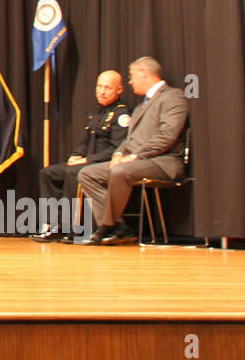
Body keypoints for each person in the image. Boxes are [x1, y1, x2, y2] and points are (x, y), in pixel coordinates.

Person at [79, 56, 188, 245]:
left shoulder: (173, 97)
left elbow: (167, 136)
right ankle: (119, 227)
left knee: (120, 171)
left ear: (143, 74)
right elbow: (129, 140)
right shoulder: (139, 107)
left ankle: (106, 226)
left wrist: (135, 157)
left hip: (162, 161)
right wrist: (119, 154)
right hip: (135, 161)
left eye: (131, 77)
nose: (130, 82)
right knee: (88, 174)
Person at [31, 70, 130, 242]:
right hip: (85, 161)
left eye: (107, 88)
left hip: (103, 164)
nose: (102, 91)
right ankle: (52, 224)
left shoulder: (121, 115)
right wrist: (76, 155)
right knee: (48, 173)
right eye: (99, 86)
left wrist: (87, 160)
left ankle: (73, 228)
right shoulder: (96, 112)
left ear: (119, 90)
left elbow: (117, 148)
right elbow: (84, 142)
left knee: (72, 173)